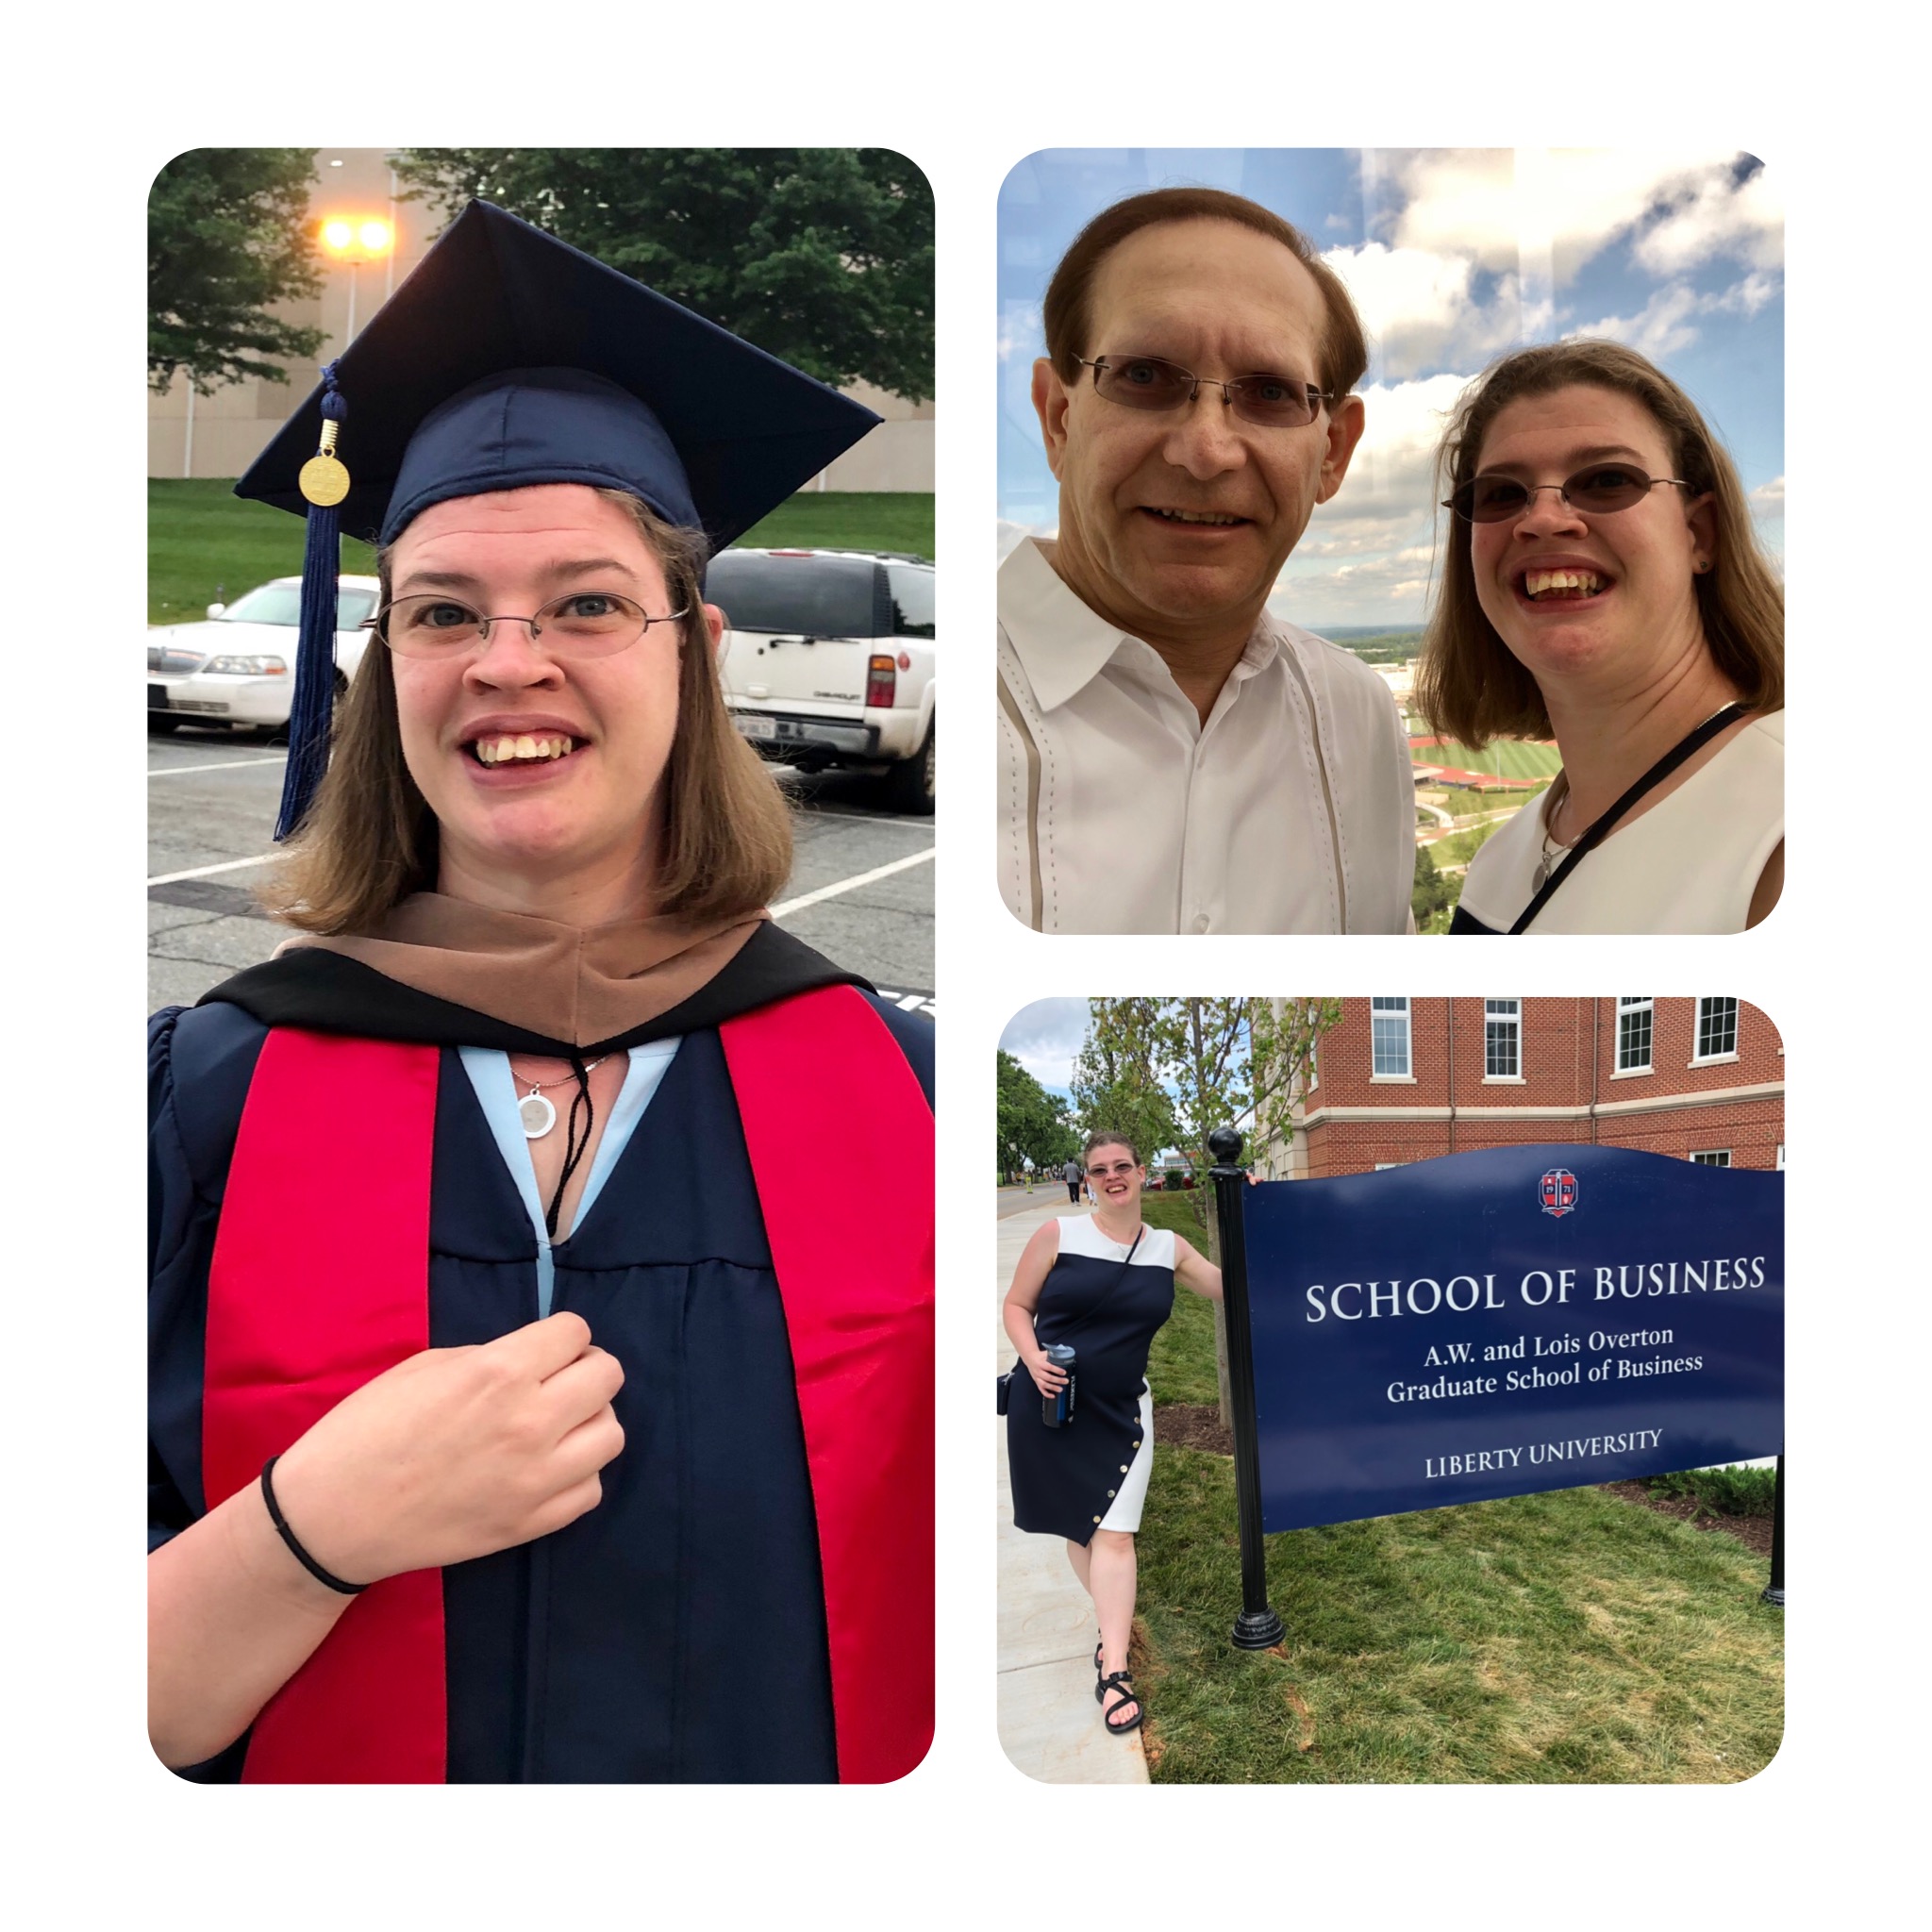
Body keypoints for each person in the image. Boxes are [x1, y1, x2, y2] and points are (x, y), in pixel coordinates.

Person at [148, 203, 935, 1785]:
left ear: (693, 651)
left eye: (585, 602)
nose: (507, 660)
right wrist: (311, 1530)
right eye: (442, 610)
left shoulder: (893, 1091)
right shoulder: (199, 1097)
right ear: (384, 663)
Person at [997, 186, 1416, 934]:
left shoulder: (1362, 719)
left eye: (1269, 392)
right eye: (1147, 377)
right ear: (1059, 418)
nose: (1206, 451)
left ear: (1333, 453)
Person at [1417, 340, 1783, 934]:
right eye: (1502, 494)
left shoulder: (1785, 833)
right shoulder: (1500, 861)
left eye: (1607, 479)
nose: (1542, 518)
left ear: (1699, 534)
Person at [1002, 1133, 1222, 1734]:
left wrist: (1243, 1200)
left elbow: (1227, 1285)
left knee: (1116, 1533)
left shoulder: (1168, 1247)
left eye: (1122, 1165)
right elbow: (1017, 1306)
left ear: (1143, 1173)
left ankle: (1114, 1667)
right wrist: (1031, 1357)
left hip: (1124, 1410)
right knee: (1082, 1524)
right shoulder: (1058, 1236)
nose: (1112, 1176)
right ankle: (1114, 1632)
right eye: (1100, 1169)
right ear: (1089, 1179)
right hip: (1053, 1403)